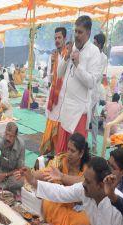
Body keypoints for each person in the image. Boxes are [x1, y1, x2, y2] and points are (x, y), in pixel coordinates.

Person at [55, 16, 101, 153]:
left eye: (80, 32)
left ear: (88, 33)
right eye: (75, 31)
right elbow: (59, 73)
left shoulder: (94, 52)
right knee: (62, 153)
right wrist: (67, 56)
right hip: (65, 109)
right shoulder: (73, 47)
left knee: (75, 154)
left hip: (79, 113)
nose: (76, 35)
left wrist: (78, 65)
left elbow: (92, 82)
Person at [34, 133, 91, 225]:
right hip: (57, 203)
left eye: (72, 151)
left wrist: (62, 177)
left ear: (81, 153)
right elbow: (44, 173)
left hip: (75, 206)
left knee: (86, 220)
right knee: (48, 202)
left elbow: (83, 183)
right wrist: (30, 175)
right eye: (68, 149)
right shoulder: (60, 161)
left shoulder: (87, 169)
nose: (68, 153)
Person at [40, 27, 67, 155]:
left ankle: (59, 155)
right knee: (51, 126)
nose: (57, 40)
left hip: (63, 99)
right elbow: (50, 78)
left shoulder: (68, 56)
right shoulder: (53, 56)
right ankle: (51, 156)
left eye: (59, 37)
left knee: (60, 130)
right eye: (55, 38)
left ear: (64, 38)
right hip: (53, 98)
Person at [91, 33, 108, 154]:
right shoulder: (90, 53)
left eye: (95, 43)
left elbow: (98, 75)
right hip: (86, 90)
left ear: (100, 45)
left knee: (94, 120)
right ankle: (82, 143)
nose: (93, 44)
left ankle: (94, 145)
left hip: (94, 91)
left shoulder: (103, 58)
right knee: (84, 118)